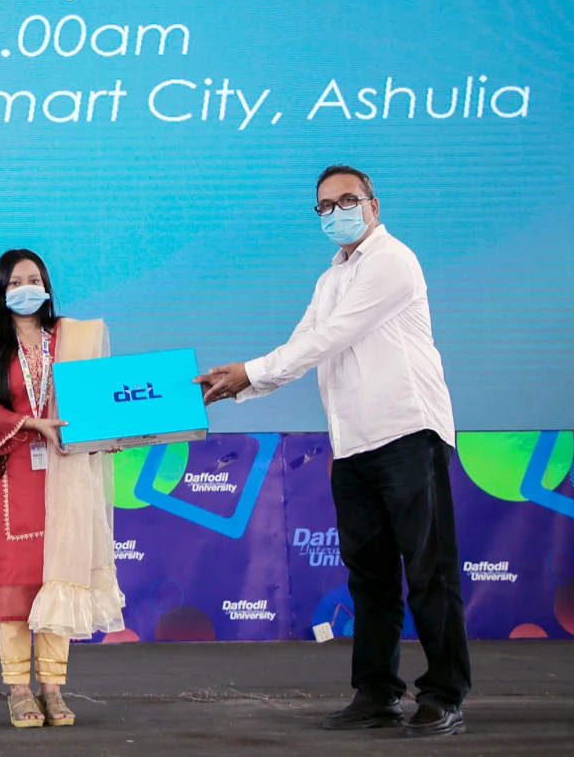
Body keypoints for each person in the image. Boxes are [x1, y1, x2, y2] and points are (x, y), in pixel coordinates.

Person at [195, 165, 471, 738]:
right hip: (353, 444)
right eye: (325, 206)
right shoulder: (330, 279)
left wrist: (251, 372)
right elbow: (302, 345)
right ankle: (376, 694)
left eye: (348, 200)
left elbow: (330, 338)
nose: (336, 212)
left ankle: (444, 694)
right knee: (369, 578)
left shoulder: (393, 261)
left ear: (373, 204)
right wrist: (238, 385)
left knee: (429, 571)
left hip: (408, 433)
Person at [0, 249, 125, 729]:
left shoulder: (72, 338)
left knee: (59, 573)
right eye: (15, 282)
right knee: (15, 581)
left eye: (34, 279)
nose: (26, 289)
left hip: (66, 473)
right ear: (1, 291)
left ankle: (52, 687)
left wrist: (107, 433)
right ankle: (18, 688)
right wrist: (34, 424)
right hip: (9, 473)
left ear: (48, 286)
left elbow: (96, 401)